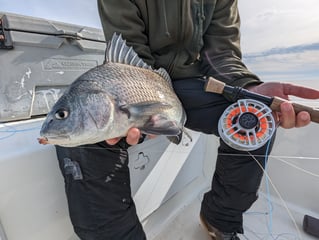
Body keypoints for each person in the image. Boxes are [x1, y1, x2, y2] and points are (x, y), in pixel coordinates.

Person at [55, 0, 319, 239]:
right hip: (141, 84)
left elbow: (222, 54)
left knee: (254, 118)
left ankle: (220, 220)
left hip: (193, 84)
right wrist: (141, 106)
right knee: (82, 137)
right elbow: (130, 50)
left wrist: (248, 87)